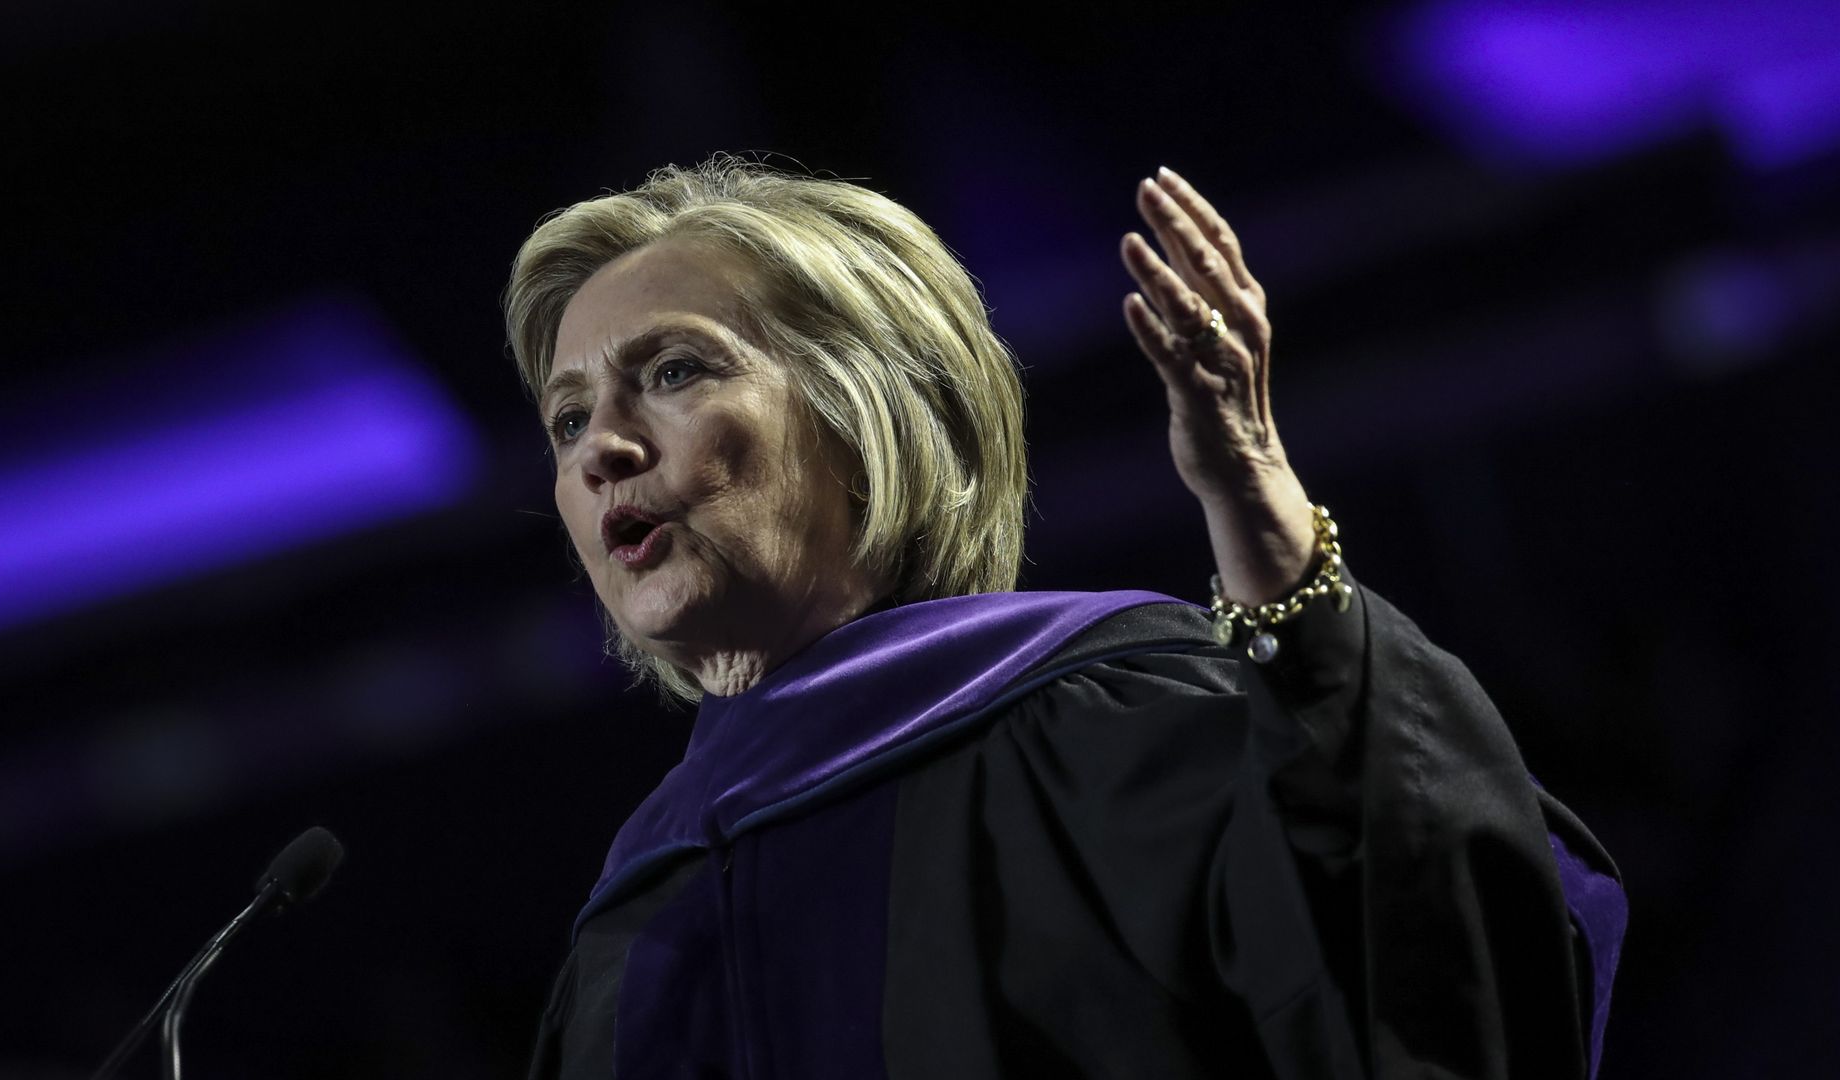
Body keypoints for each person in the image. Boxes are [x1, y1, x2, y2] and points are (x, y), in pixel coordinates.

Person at [503, 157, 1626, 1079]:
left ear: (868, 413)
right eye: (566, 420)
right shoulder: (628, 926)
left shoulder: (1109, 728)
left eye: (675, 370)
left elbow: (1438, 961)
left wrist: (1277, 557)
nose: (602, 447)